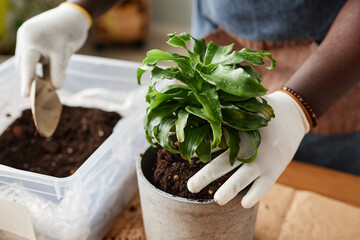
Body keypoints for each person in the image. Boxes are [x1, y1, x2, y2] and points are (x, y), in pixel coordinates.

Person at [15, 0, 360, 208]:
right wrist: (81, 9)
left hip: (336, 66)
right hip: (222, 42)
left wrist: (300, 106)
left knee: (330, 195)